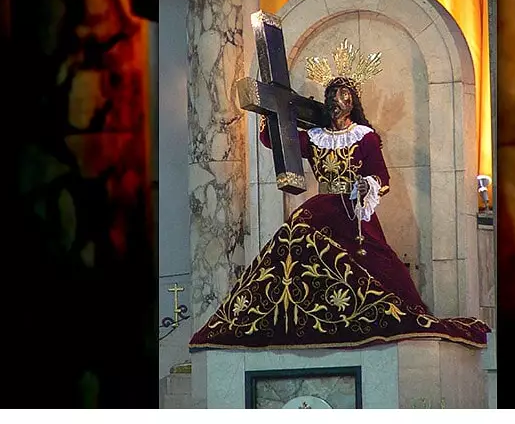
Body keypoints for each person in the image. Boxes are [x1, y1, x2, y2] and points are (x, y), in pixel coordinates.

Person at [189, 48, 490, 352]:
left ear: (352, 103)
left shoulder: (364, 137)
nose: (336, 101)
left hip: (352, 210)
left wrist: (367, 185)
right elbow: (277, 140)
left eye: (342, 95)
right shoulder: (315, 137)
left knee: (374, 261)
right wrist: (269, 109)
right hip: (322, 205)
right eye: (331, 95)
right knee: (293, 240)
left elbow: (382, 177)